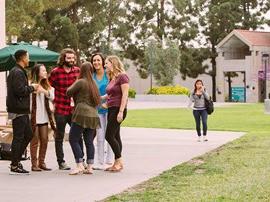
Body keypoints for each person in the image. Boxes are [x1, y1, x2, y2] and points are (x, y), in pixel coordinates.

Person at [6, 49, 38, 175]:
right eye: (28, 57)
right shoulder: (17, 72)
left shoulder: (17, 71)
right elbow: (20, 90)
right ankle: (14, 165)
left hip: (21, 109)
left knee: (28, 135)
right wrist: (32, 88)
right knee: (19, 137)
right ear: (22, 58)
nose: (29, 59)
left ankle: (16, 161)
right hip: (18, 110)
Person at [49, 48, 81, 170]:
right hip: (61, 109)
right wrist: (52, 102)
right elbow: (48, 87)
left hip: (74, 110)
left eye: (73, 58)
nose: (71, 60)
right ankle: (61, 162)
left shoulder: (78, 71)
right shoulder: (55, 72)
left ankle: (80, 160)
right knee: (59, 136)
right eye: (69, 58)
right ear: (63, 59)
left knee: (78, 135)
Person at [66, 62, 100, 175]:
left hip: (81, 114)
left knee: (73, 138)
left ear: (82, 71)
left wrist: (76, 81)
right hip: (93, 115)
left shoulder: (81, 82)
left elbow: (68, 92)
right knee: (89, 141)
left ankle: (79, 164)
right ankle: (90, 167)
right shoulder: (94, 83)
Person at [103, 55, 129, 172]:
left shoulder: (123, 77)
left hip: (119, 109)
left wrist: (121, 112)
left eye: (106, 63)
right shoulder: (112, 78)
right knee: (116, 136)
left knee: (109, 135)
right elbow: (110, 94)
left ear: (113, 63)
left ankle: (119, 161)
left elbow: (125, 95)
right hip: (111, 109)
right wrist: (100, 99)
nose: (105, 65)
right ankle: (116, 163)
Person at [30, 64, 56, 171]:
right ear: (37, 72)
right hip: (34, 118)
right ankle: (34, 164)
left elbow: (53, 97)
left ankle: (42, 162)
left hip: (44, 118)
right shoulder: (30, 85)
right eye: (43, 71)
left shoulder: (47, 86)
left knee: (44, 140)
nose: (46, 72)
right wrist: (34, 89)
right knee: (34, 141)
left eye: (45, 70)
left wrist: (44, 91)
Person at [91, 53, 113, 169]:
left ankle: (110, 160)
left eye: (98, 60)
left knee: (109, 135)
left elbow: (113, 91)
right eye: (94, 60)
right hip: (97, 110)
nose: (96, 63)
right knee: (99, 136)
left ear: (102, 62)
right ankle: (99, 161)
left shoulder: (108, 74)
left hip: (110, 109)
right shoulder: (92, 76)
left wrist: (106, 102)